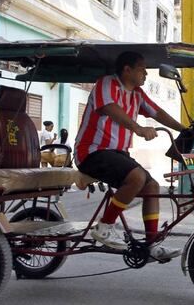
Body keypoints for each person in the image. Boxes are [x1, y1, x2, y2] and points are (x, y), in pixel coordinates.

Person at [74, 51, 187, 261]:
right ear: (127, 70)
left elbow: (157, 112)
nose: (145, 73)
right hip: (92, 152)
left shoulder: (137, 94)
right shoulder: (106, 84)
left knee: (152, 186)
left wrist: (184, 129)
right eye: (141, 68)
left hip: (118, 155)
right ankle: (104, 226)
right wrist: (138, 128)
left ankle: (151, 245)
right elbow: (111, 108)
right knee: (137, 177)